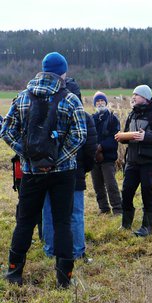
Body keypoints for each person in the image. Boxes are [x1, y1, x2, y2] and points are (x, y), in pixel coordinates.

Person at [0, 52, 87, 288]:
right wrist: (57, 160)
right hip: (63, 174)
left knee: (25, 222)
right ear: (63, 72)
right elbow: (80, 135)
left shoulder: (21, 97)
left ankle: (14, 273)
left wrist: (28, 155)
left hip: (31, 173)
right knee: (62, 223)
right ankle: (64, 279)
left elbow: (6, 131)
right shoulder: (70, 99)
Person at [42, 79, 97, 261]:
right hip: (74, 173)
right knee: (75, 214)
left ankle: (50, 250)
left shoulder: (48, 115)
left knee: (49, 211)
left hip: (47, 170)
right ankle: (77, 251)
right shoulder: (85, 118)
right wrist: (84, 169)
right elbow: (90, 150)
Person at [115, 85, 152, 237]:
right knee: (126, 192)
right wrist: (122, 137)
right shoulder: (132, 115)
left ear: (146, 98)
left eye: (136, 95)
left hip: (148, 162)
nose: (133, 97)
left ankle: (147, 227)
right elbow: (127, 134)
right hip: (132, 161)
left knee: (147, 192)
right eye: (133, 95)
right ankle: (126, 224)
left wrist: (147, 137)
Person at [90, 91, 122, 215]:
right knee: (97, 186)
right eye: (97, 101)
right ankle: (104, 209)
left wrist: (101, 147)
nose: (100, 103)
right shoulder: (91, 119)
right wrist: (93, 149)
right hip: (94, 158)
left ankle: (118, 209)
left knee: (111, 184)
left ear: (106, 102)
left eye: (102, 100)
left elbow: (115, 138)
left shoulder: (113, 119)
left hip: (108, 158)